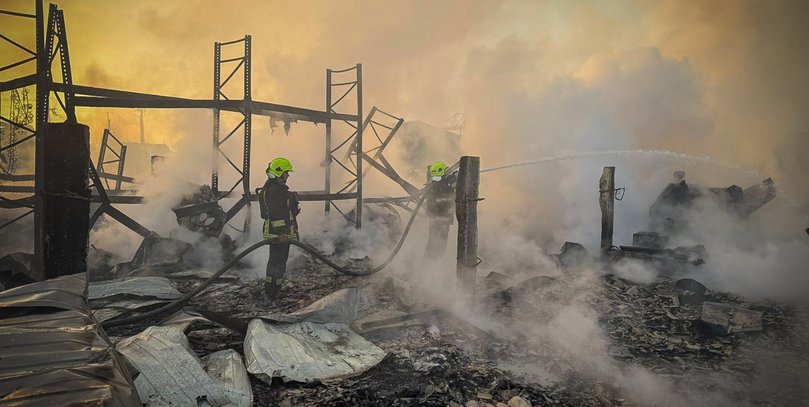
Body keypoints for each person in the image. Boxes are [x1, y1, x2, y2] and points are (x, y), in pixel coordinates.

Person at [258, 157, 300, 299]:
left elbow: (282, 211)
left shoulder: (273, 188)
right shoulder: (275, 190)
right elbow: (275, 213)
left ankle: (272, 290)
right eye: (286, 172)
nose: (288, 175)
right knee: (278, 262)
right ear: (279, 172)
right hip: (279, 235)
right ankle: (272, 292)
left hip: (279, 234)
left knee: (276, 261)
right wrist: (282, 234)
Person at [424, 161, 457, 259]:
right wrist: (454, 179)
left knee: (433, 244)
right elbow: (452, 196)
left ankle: (426, 267)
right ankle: (429, 268)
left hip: (435, 220)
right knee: (439, 246)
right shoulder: (444, 188)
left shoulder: (432, 186)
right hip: (441, 221)